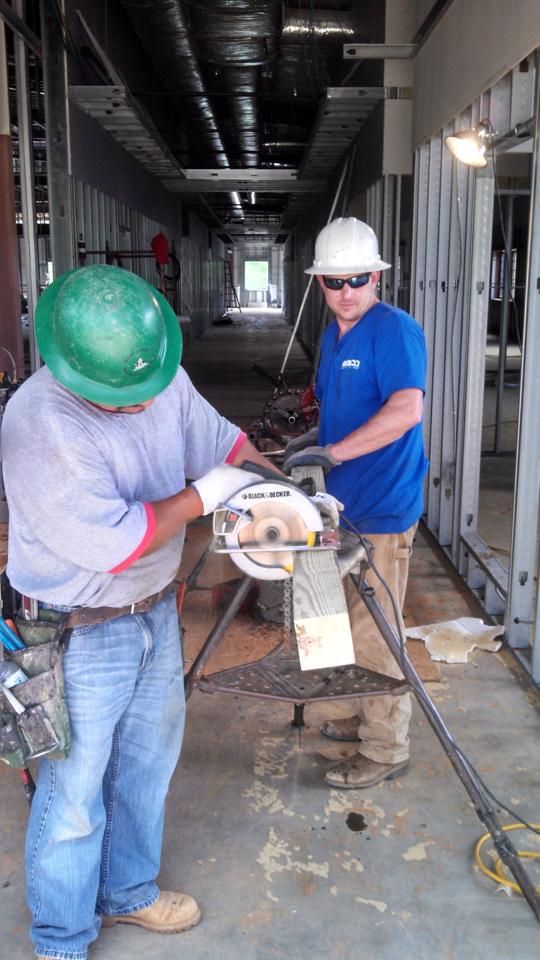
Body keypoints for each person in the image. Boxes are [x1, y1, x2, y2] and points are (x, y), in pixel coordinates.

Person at [1, 264, 283, 960]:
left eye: (145, 391)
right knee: (72, 793)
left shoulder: (155, 374)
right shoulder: (39, 422)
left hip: (156, 610)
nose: (139, 406)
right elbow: (118, 543)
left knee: (147, 767)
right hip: (75, 627)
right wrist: (205, 496)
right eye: (121, 399)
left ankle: (126, 893)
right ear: (70, 369)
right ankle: (62, 939)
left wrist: (281, 489)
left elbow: (223, 444)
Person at [284, 217, 428, 790]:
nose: (345, 292)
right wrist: (310, 442)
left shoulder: (394, 330)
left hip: (380, 510)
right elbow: (336, 401)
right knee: (326, 620)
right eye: (333, 282)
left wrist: (335, 452)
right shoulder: (332, 334)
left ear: (377, 277)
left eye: (357, 280)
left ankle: (386, 746)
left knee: (375, 634)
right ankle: (353, 706)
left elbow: (405, 411)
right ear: (320, 284)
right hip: (331, 505)